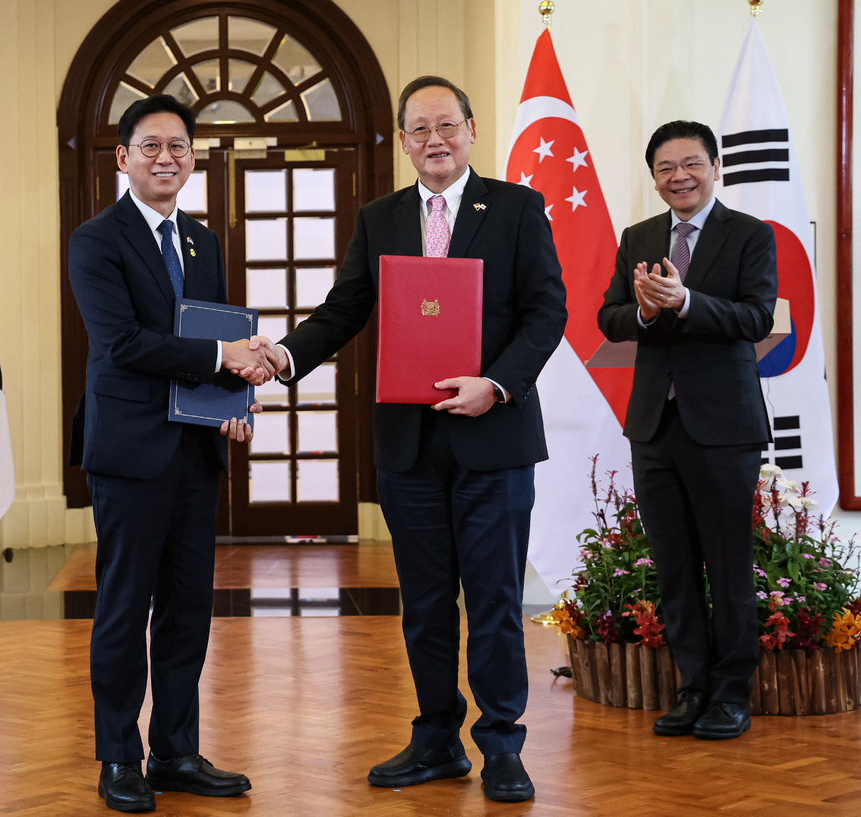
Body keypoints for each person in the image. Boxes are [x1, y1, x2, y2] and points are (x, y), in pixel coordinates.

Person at [245, 76, 566, 803]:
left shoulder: (517, 208)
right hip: (410, 447)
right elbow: (343, 309)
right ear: (402, 140)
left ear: (471, 129)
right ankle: (436, 740)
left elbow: (548, 311)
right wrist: (285, 356)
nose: (434, 141)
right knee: (424, 603)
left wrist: (498, 382)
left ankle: (503, 744)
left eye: (446, 125)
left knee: (491, 599)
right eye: (418, 130)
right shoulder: (380, 217)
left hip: (494, 435)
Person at [68, 94, 268, 814]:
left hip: (194, 451)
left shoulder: (203, 242)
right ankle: (120, 754)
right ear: (123, 158)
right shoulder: (96, 240)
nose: (166, 158)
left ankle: (176, 749)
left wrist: (234, 406)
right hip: (128, 450)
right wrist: (226, 356)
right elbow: (124, 345)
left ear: (192, 158)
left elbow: (207, 342)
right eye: (150, 146)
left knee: (187, 608)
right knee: (125, 606)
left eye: (178, 147)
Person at [598, 120, 777, 740]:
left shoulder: (750, 235)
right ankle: (692, 687)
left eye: (691, 164)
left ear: (714, 165)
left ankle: (731, 694)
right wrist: (646, 308)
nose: (680, 177)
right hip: (653, 423)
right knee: (675, 565)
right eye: (666, 168)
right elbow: (609, 316)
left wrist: (687, 302)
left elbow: (756, 317)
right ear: (654, 177)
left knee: (727, 564)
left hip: (724, 427)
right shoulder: (638, 237)